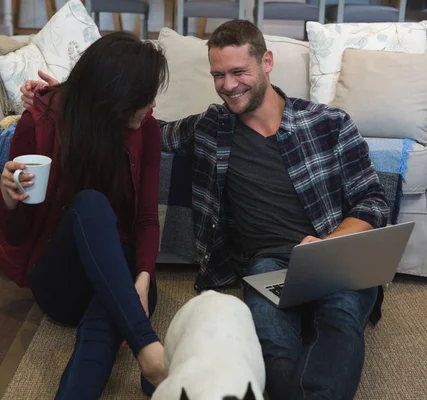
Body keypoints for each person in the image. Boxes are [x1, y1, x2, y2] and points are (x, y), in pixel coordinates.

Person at [21, 20, 389, 400]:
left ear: (267, 62)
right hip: (267, 264)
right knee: (270, 342)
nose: (228, 85)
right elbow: (133, 118)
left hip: (334, 253)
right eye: (218, 75)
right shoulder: (212, 126)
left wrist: (327, 245)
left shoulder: (329, 123)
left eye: (238, 72)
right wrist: (59, 97)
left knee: (341, 320)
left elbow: (372, 201)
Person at [0, 32, 169, 399]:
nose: (150, 105)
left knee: (105, 321)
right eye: (142, 97)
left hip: (120, 274)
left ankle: (141, 357)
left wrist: (143, 281)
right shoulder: (40, 125)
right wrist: (9, 202)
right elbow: (19, 234)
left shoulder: (146, 130)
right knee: (90, 204)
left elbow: (147, 218)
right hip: (61, 280)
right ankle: (150, 350)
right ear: (110, 99)